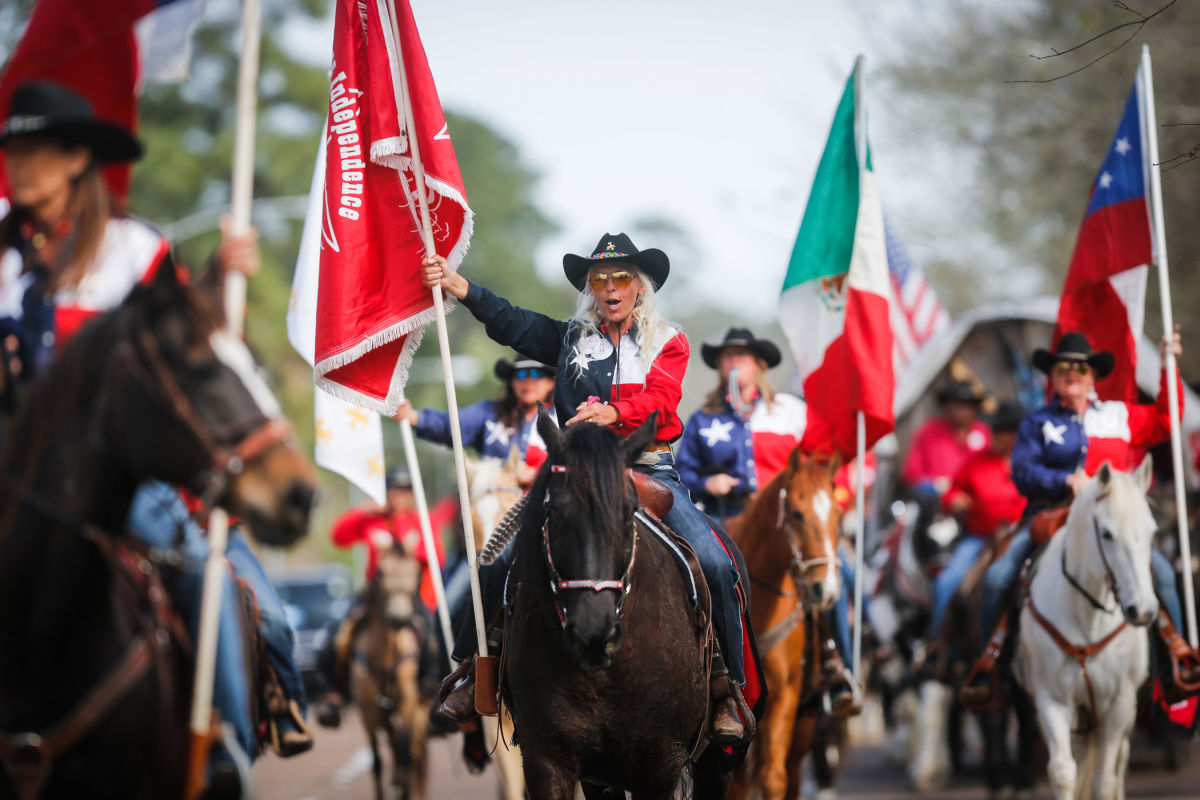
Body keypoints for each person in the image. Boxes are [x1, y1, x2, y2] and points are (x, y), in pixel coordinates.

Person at [0, 82, 311, 774]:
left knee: (202, 571)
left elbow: (180, 345)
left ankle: (223, 747)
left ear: (79, 157)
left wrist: (215, 280)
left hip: (115, 474)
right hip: (11, 468)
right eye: (13, 148)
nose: (19, 163)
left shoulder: (131, 247)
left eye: (37, 149)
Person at [421, 232, 753, 743]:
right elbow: (514, 321)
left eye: (621, 277)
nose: (610, 286)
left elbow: (664, 401)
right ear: (592, 288)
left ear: (639, 286)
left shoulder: (669, 339)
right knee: (500, 560)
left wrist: (616, 411)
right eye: (600, 279)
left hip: (650, 469)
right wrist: (462, 287)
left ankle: (726, 688)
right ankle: (472, 671)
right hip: (577, 471)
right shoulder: (571, 338)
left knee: (715, 563)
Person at [960, 331, 1200, 707]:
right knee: (997, 577)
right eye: (1063, 367)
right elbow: (1022, 472)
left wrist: (1169, 366)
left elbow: (1168, 420)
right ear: (1053, 376)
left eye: (1079, 367)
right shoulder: (1037, 423)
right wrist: (1065, 479)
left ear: (1092, 375)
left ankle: (1176, 661)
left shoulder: (1119, 415)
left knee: (1164, 574)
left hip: (1113, 522)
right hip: (1051, 514)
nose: (1071, 372)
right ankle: (991, 669)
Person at [675, 326, 863, 715]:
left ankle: (837, 664)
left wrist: (831, 500)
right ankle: (689, 667)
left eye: (741, 356)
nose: (733, 363)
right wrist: (707, 481)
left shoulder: (791, 412)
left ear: (760, 365)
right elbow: (679, 475)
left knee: (838, 575)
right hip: (722, 521)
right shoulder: (703, 419)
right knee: (682, 574)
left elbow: (828, 463)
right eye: (726, 357)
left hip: (791, 526)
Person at [315, 466, 456, 726]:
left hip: (411, 596)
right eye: (392, 491)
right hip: (373, 595)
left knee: (436, 637)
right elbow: (338, 537)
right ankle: (334, 693)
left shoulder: (420, 521)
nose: (397, 497)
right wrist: (361, 511)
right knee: (338, 633)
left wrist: (405, 552)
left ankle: (436, 693)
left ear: (411, 496)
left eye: (403, 492)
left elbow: (438, 557)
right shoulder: (372, 520)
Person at [928, 401, 1026, 636]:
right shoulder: (978, 462)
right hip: (981, 538)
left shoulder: (1031, 464)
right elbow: (952, 491)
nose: (1000, 437)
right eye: (998, 432)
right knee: (947, 582)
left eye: (1007, 432)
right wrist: (955, 499)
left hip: (1022, 536)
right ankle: (937, 641)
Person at [396, 353, 556, 483]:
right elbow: (452, 425)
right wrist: (414, 416)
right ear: (511, 382)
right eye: (520, 375)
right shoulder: (491, 413)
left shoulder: (562, 419)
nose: (527, 381)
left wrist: (539, 476)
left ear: (550, 382)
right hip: (497, 511)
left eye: (536, 374)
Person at [902, 380, 990, 498]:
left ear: (975, 408)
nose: (960, 411)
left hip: (976, 500)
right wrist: (935, 486)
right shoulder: (930, 432)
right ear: (947, 407)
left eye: (965, 406)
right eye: (955, 405)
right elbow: (911, 473)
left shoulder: (985, 434)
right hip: (936, 502)